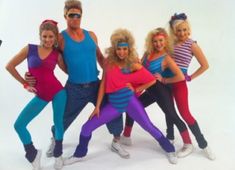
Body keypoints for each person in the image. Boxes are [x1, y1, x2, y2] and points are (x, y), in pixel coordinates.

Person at [25, 0, 129, 159]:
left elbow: (100, 58)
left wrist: (115, 74)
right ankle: (55, 139)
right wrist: (31, 74)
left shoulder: (91, 35)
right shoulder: (60, 38)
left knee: (112, 109)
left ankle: (116, 140)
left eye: (78, 15)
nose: (75, 18)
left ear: (81, 16)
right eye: (71, 15)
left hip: (96, 85)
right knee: (63, 117)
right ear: (65, 15)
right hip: (74, 88)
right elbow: (47, 56)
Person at [63, 28, 178, 165]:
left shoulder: (133, 64)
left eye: (124, 49)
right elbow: (103, 84)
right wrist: (98, 106)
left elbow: (151, 80)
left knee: (148, 126)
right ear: (114, 49)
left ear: (129, 49)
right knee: (86, 127)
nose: (121, 52)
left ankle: (170, 149)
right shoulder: (108, 63)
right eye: (119, 49)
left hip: (130, 102)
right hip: (114, 104)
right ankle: (79, 154)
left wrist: (136, 89)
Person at [121, 27, 194, 158]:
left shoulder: (166, 58)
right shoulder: (147, 54)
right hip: (149, 89)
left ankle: (188, 143)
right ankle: (126, 136)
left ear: (165, 41)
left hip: (161, 90)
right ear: (151, 42)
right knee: (133, 108)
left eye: (161, 40)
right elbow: (141, 69)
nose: (158, 44)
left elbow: (180, 76)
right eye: (155, 41)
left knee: (172, 114)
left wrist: (165, 79)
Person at [6, 20, 67, 170]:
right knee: (19, 125)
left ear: (55, 37)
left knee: (58, 123)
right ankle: (32, 154)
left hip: (58, 91)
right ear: (40, 36)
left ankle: (58, 154)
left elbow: (68, 71)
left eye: (51, 37)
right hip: (41, 95)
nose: (47, 40)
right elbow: (10, 66)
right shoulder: (29, 49)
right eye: (45, 36)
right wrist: (25, 83)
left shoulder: (56, 54)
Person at [165, 13, 215, 160]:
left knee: (185, 114)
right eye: (179, 30)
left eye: (185, 30)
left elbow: (205, 65)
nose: (183, 33)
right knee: (168, 110)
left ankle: (203, 144)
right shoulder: (170, 43)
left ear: (189, 29)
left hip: (179, 82)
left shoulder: (192, 45)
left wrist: (190, 77)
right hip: (165, 81)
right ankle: (170, 136)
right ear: (174, 31)